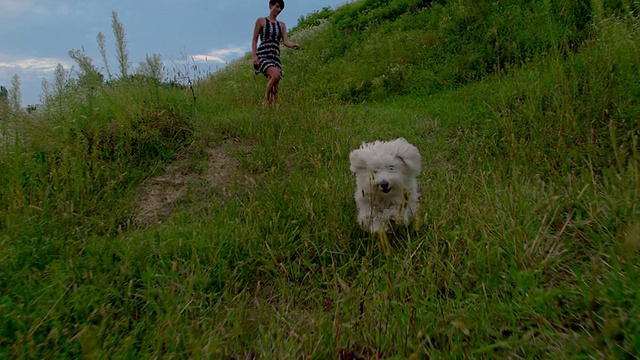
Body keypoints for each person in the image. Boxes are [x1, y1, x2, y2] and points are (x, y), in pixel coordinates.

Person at [252, 0, 300, 106]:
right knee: (275, 75)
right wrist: (254, 57)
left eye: (280, 9)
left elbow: (285, 41)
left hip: (275, 56)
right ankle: (265, 99)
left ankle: (270, 110)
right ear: (271, 5)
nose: (278, 10)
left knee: (275, 88)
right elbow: (254, 40)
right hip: (263, 55)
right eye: (277, 7)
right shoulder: (261, 21)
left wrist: (293, 45)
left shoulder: (281, 25)